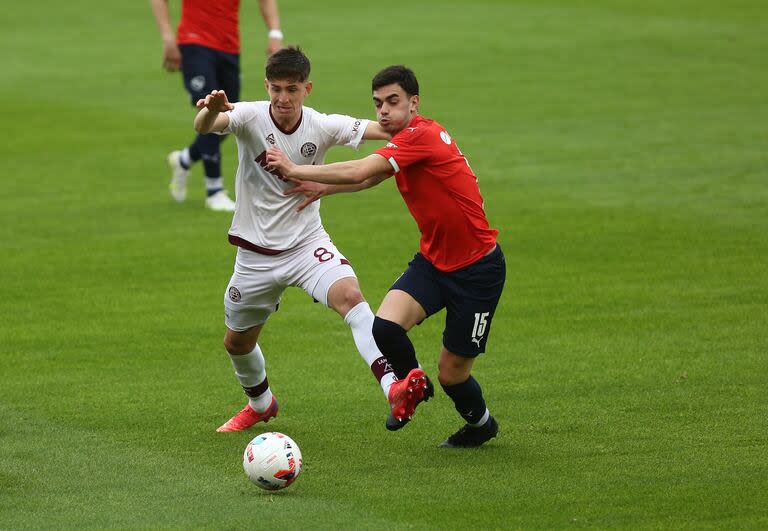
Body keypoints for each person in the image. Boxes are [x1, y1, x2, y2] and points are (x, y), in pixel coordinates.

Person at [266, 65, 506, 448]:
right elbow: (367, 178)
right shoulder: (409, 140)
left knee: (453, 374)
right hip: (434, 261)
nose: (383, 111)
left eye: (393, 102)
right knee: (385, 328)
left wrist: (296, 168)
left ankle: (482, 424)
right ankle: (413, 385)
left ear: (414, 103)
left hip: (477, 270)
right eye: (378, 104)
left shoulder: (422, 135)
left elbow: (362, 167)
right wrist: (322, 188)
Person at [193, 47, 414, 432]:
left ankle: (394, 387)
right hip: (255, 256)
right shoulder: (248, 116)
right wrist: (212, 107)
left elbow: (389, 129)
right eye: (276, 89)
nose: (282, 98)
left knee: (352, 298)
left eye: (291, 89)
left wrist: (417, 122)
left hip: (306, 245)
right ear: (266, 86)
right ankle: (261, 404)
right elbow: (203, 126)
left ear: (306, 88)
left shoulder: (321, 125)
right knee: (237, 344)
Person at [150, 0, 285, 211]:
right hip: (194, 43)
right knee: (211, 110)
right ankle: (214, 190)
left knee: (228, 120)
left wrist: (275, 33)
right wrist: (168, 38)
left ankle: (184, 160)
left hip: (229, 46)